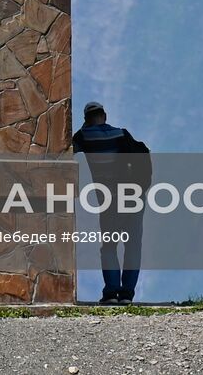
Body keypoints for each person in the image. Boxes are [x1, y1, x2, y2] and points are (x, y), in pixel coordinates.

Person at [72, 102, 150, 306]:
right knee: (133, 246)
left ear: (86, 119)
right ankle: (126, 295)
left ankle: (111, 293)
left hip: (110, 202)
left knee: (109, 246)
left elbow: (68, 147)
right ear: (104, 116)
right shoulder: (121, 134)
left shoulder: (85, 136)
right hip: (134, 198)